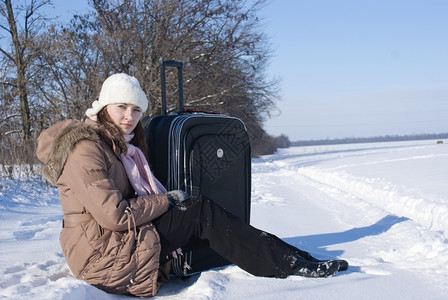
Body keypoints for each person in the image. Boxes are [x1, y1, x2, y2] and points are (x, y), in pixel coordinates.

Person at [36, 73, 348, 297]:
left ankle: (296, 257)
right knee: (200, 214)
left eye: (136, 110)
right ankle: (289, 264)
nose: (129, 116)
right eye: (122, 107)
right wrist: (167, 201)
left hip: (118, 240)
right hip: (102, 257)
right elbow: (114, 215)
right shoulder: (85, 149)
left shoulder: (119, 146)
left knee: (210, 220)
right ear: (103, 107)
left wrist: (169, 205)